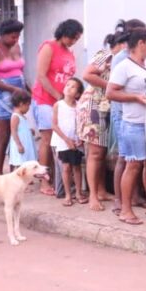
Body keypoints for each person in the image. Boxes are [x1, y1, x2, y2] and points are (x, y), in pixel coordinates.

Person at [107, 28, 146, 225]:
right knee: (133, 164)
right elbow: (111, 93)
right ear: (141, 43)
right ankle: (125, 209)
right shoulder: (124, 67)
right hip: (134, 123)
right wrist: (134, 97)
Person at [32, 19, 83, 192]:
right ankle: (44, 181)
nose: (73, 41)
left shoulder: (70, 52)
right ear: (64, 33)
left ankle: (58, 180)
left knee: (60, 141)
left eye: (76, 39)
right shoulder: (49, 47)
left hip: (64, 103)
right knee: (47, 139)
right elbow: (41, 75)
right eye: (72, 38)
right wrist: (57, 96)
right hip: (46, 99)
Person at [80, 32, 123, 211]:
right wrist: (110, 87)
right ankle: (92, 196)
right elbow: (87, 75)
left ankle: (101, 191)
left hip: (106, 107)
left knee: (102, 152)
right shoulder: (106, 55)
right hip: (94, 107)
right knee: (95, 153)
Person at [0, 19, 27, 176]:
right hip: (0, 94)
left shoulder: (16, 46)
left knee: (18, 133)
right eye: (12, 37)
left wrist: (26, 90)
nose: (15, 40)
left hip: (17, 94)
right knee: (3, 136)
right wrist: (12, 88)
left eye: (17, 36)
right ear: (3, 35)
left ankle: (15, 171)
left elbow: (20, 71)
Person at [52, 78, 88, 206]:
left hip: (76, 142)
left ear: (78, 94)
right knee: (66, 167)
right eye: (67, 85)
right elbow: (54, 125)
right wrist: (66, 140)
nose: (68, 87)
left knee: (76, 167)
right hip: (62, 142)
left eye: (73, 87)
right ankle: (68, 194)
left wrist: (81, 140)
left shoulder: (79, 106)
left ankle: (78, 193)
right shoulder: (58, 105)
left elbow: (82, 124)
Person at [7, 91, 37, 172]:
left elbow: (22, 128)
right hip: (20, 143)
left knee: (26, 160)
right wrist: (19, 145)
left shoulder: (23, 116)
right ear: (21, 104)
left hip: (26, 143)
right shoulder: (15, 117)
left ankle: (27, 175)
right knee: (21, 161)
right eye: (27, 105)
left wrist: (29, 131)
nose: (28, 108)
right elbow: (14, 131)